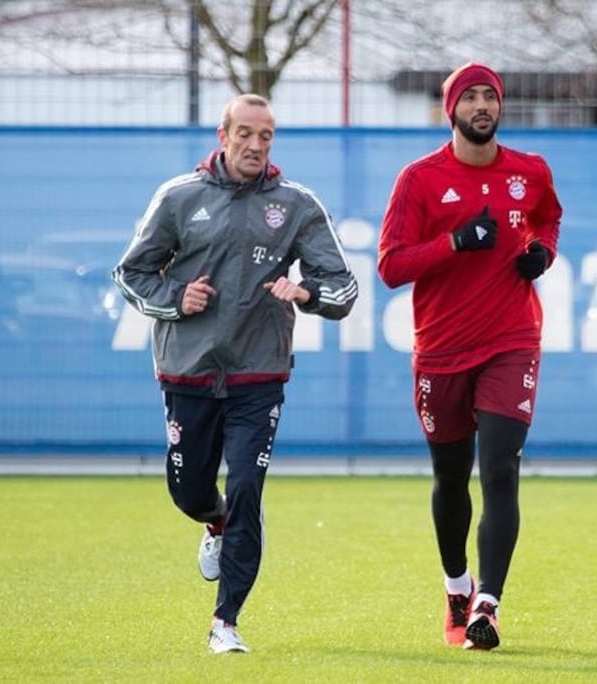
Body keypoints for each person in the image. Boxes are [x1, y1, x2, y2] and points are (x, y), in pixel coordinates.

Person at [112, 93, 357, 655]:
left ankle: (226, 622)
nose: (255, 144)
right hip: (189, 373)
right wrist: (177, 299)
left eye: (266, 135)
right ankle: (212, 521)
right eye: (244, 133)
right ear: (223, 136)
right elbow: (130, 274)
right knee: (190, 491)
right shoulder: (178, 197)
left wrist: (308, 292)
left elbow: (344, 287)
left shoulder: (296, 204)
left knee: (247, 487)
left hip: (259, 375)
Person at [377, 62, 562, 651]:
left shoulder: (529, 171)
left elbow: (547, 220)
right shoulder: (419, 179)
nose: (483, 105)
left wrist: (541, 254)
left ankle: (489, 605)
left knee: (501, 470)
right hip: (441, 350)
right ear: (450, 109)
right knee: (451, 477)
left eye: (490, 96)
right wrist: (455, 242)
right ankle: (458, 586)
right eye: (471, 97)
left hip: (511, 340)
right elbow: (390, 266)